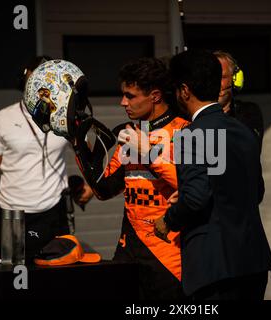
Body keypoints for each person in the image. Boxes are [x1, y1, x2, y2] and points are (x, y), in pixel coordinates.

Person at [154, 49, 271, 300]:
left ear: (184, 91)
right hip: (253, 261)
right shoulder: (243, 130)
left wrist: (169, 220)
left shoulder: (192, 134)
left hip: (215, 267)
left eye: (175, 89)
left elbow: (196, 197)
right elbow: (256, 190)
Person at [0, 56, 93, 263]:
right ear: (26, 81)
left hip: (55, 213)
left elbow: (89, 156)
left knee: (55, 284)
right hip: (13, 216)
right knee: (13, 281)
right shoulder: (1, 120)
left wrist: (91, 186)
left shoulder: (66, 117)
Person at [86, 57, 188, 300]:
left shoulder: (185, 131)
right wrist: (82, 147)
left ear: (154, 96)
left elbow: (192, 187)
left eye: (130, 96)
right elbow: (104, 189)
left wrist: (147, 153)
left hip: (169, 255)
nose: (123, 103)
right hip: (129, 249)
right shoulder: (131, 132)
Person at [214, 50, 265, 203]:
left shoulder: (248, 113)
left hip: (243, 199)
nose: (216, 84)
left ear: (236, 79)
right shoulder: (192, 117)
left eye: (222, 77)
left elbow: (242, 151)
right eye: (212, 78)